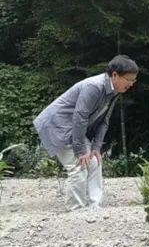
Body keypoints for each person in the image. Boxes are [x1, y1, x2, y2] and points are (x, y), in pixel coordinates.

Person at [33, 55, 138, 209]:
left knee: (94, 161)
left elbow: (104, 120)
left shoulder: (114, 91)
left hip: (74, 127)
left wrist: (96, 147)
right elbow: (80, 116)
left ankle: (93, 207)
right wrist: (81, 150)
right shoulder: (94, 87)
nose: (131, 84)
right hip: (58, 126)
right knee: (79, 164)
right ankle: (76, 209)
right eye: (128, 79)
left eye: (133, 80)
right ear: (114, 75)